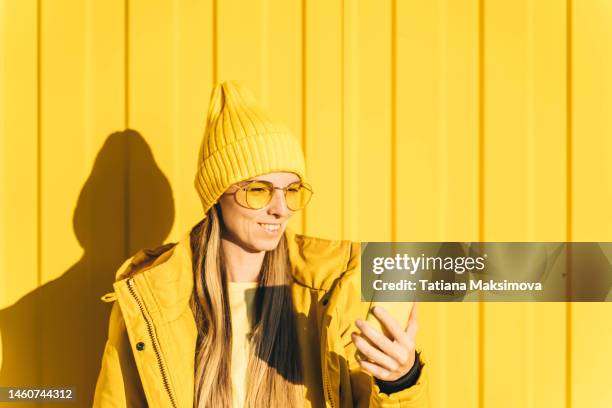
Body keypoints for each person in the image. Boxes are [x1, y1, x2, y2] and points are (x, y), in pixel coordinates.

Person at [93, 81, 430, 407]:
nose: (280, 208)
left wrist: (400, 382)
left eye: (292, 190)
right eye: (258, 190)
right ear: (216, 198)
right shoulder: (151, 304)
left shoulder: (332, 296)